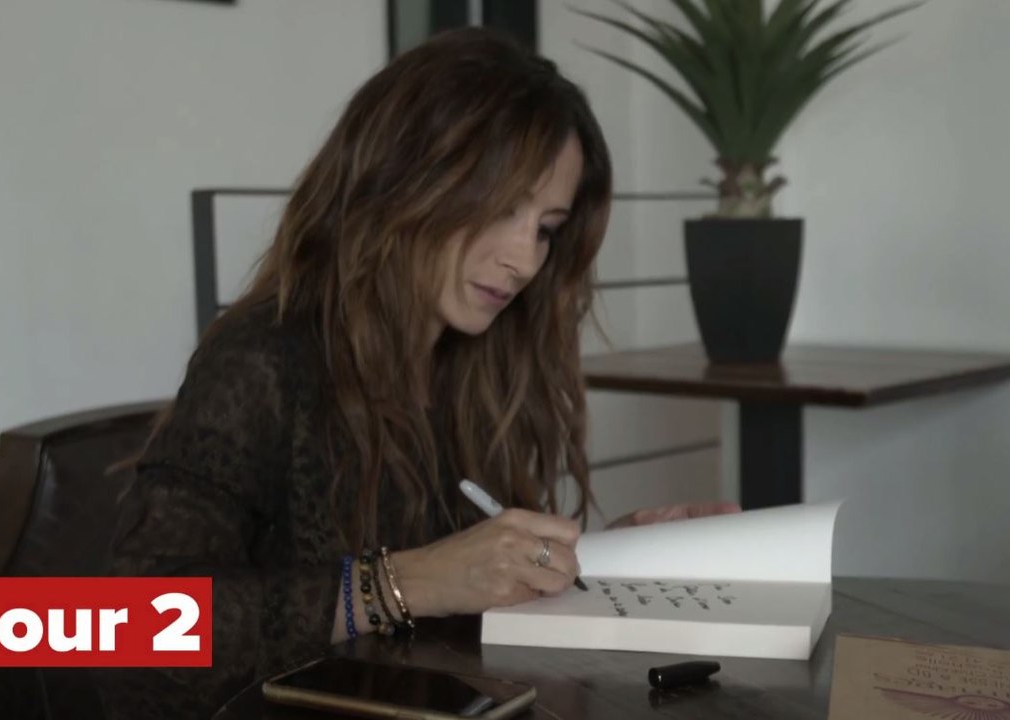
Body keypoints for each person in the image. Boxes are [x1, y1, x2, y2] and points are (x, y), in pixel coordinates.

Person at [95, 27, 739, 719]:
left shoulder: (472, 363)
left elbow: (466, 592)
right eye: (502, 208)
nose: (524, 261)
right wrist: (402, 584)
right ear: (404, 179)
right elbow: (128, 630)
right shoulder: (261, 360)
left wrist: (605, 563)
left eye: (546, 228)